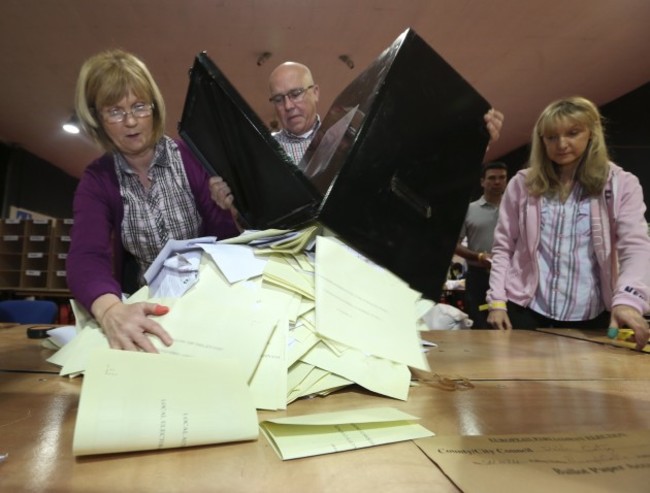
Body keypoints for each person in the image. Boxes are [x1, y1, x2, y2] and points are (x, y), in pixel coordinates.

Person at [67, 49, 240, 353]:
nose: (131, 121)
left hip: (208, 303)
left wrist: (225, 208)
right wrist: (110, 312)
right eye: (115, 112)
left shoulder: (192, 157)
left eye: (139, 106)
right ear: (98, 118)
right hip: (144, 309)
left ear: (155, 107)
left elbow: (224, 242)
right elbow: (85, 258)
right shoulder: (97, 180)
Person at [210, 60, 505, 211]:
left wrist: (472, 141)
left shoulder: (353, 137)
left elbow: (417, 164)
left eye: (296, 93)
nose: (288, 106)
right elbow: (251, 218)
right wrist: (231, 204)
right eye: (278, 99)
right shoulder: (260, 152)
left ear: (316, 93)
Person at [486, 96, 650, 350]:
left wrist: (629, 300)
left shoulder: (621, 184)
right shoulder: (522, 184)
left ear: (591, 134)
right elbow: (503, 247)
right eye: (551, 137)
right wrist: (497, 302)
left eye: (573, 133)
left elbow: (636, 248)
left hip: (592, 313)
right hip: (525, 310)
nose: (561, 144)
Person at [455, 161, 508, 327]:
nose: (497, 182)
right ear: (482, 182)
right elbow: (454, 245)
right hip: (478, 277)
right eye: (492, 178)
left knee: (510, 326)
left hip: (510, 279)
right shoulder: (469, 210)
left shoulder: (515, 209)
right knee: (479, 323)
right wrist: (478, 256)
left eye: (502, 177)